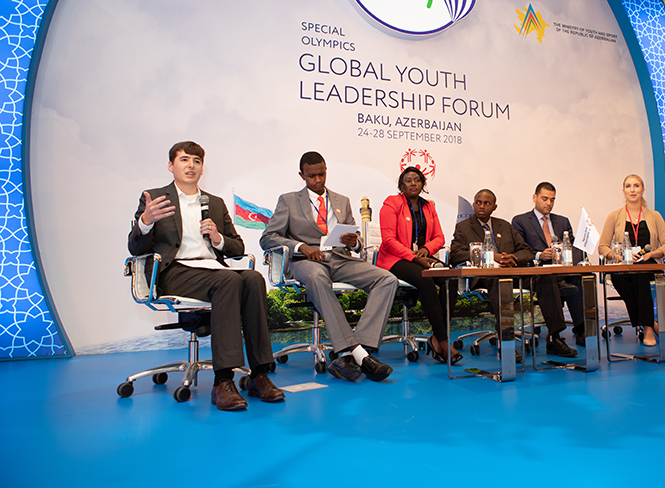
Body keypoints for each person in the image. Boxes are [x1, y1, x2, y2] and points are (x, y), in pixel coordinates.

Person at [127, 141, 284, 411]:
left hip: (212, 269)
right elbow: (135, 247)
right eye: (184, 160)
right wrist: (145, 222)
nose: (191, 165)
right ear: (171, 166)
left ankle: (259, 373)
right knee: (230, 280)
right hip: (174, 271)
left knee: (253, 279)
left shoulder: (214, 203)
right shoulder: (154, 199)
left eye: (197, 161)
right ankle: (223, 381)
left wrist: (218, 238)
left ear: (202, 168)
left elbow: (237, 247)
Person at [260, 151, 398, 382]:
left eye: (322, 174)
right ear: (302, 175)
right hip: (305, 261)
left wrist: (355, 243)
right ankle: (357, 354)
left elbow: (354, 237)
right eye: (312, 175)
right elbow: (268, 238)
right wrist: (301, 246)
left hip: (339, 257)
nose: (318, 180)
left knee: (387, 279)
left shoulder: (341, 201)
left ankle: (357, 350)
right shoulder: (289, 200)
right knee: (316, 277)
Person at [449, 189, 577, 358]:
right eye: (478, 202)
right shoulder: (463, 227)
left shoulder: (504, 225)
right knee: (499, 282)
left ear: (494, 207)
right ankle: (506, 342)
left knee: (545, 278)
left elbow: (527, 251)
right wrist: (493, 257)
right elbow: (455, 255)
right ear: (473, 205)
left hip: (513, 273)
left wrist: (512, 258)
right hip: (485, 278)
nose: (481, 206)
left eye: (487, 203)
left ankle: (554, 338)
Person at [377, 166, 460, 364]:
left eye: (417, 180)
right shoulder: (392, 203)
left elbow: (439, 237)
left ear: (423, 184)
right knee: (426, 280)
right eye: (408, 180)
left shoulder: (429, 206)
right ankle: (444, 341)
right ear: (401, 184)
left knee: (453, 279)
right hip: (394, 259)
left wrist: (425, 249)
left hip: (421, 258)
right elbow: (388, 241)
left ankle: (436, 337)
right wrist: (414, 257)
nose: (413, 183)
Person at [598, 174, 665, 346]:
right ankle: (652, 323)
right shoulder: (614, 216)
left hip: (648, 263)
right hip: (623, 264)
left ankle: (647, 328)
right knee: (617, 276)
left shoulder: (654, 216)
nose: (632, 190)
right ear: (623, 191)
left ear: (642, 190)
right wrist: (617, 256)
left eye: (636, 186)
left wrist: (651, 254)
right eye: (628, 186)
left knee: (640, 273)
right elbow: (602, 247)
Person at [511, 182, 587, 350]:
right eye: (545, 199)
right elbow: (519, 250)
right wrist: (539, 255)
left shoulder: (563, 222)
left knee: (579, 276)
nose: (548, 204)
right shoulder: (520, 221)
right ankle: (555, 336)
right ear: (534, 197)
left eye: (552, 200)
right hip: (537, 271)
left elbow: (574, 247)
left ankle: (581, 330)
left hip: (562, 268)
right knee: (551, 280)